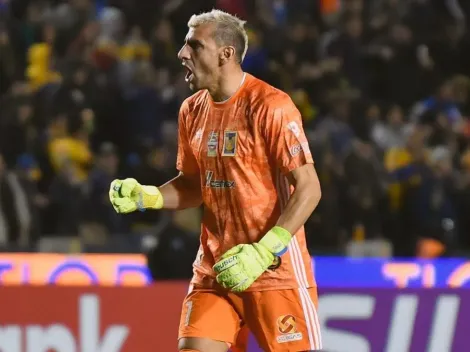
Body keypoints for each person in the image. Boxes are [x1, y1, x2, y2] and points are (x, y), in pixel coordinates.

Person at [109, 9, 322, 352]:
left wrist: (264, 251)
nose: (182, 54)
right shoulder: (191, 110)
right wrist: (149, 197)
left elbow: (309, 187)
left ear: (226, 54)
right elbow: (195, 184)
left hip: (273, 272)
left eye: (194, 45)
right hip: (216, 270)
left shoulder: (271, 106)